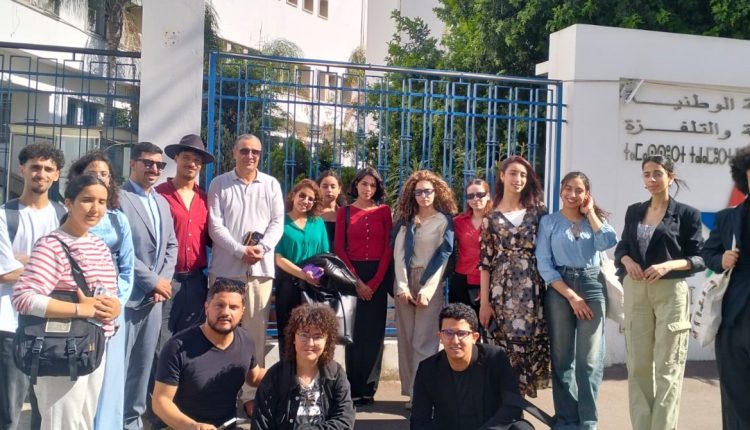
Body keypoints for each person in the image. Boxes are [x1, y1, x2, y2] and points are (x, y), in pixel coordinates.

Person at [12, 174, 120, 430]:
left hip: (94, 345)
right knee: (61, 424)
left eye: (102, 202)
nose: (95, 208)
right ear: (68, 203)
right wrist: (80, 309)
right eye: (87, 200)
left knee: (83, 422)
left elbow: (108, 294)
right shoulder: (51, 246)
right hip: (61, 348)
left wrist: (115, 308)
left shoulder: (100, 246)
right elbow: (23, 298)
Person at [614, 154, 704, 430]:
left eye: (657, 173)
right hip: (637, 291)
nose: (651, 179)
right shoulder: (634, 211)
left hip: (670, 293)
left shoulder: (687, 214)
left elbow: (700, 258)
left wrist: (668, 265)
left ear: (670, 177)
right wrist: (627, 261)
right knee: (638, 367)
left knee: (668, 368)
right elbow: (622, 247)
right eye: (646, 174)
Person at [207, 134, 284, 412]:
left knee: (255, 335)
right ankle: (219, 391)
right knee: (221, 329)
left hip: (260, 271)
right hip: (227, 270)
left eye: (255, 151)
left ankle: (251, 394)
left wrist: (261, 248)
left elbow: (278, 222)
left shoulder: (271, 184)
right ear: (234, 153)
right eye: (244, 151)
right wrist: (240, 250)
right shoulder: (219, 183)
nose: (250, 156)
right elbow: (215, 225)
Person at [535, 172, 617, 430]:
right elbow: (544, 264)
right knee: (562, 359)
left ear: (586, 194)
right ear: (560, 190)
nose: (572, 194)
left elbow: (608, 242)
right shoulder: (549, 222)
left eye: (579, 190)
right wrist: (571, 296)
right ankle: (567, 420)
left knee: (589, 361)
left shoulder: (595, 220)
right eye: (568, 188)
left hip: (592, 286)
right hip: (560, 289)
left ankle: (588, 421)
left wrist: (590, 213)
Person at [67, 151, 135, 430]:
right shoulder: (67, 217)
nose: (100, 178)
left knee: (110, 377)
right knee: (78, 380)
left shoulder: (119, 219)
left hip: (112, 309)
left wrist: (117, 303)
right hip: (78, 305)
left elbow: (128, 268)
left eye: (105, 174)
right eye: (93, 173)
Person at [0, 142, 65, 430]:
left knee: (47, 414)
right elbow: (4, 273)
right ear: (22, 169)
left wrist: (23, 260)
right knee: (9, 414)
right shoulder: (4, 215)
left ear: (57, 175)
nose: (41, 173)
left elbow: (70, 269)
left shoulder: (63, 215)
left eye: (48, 168)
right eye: (35, 167)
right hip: (11, 325)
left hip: (52, 326)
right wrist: (48, 262)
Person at [478, 155, 551, 398]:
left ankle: (517, 405)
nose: (518, 179)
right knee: (503, 344)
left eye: (523, 175)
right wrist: (485, 303)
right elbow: (485, 262)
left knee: (527, 344)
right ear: (502, 176)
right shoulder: (490, 216)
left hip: (532, 290)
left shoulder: (538, 211)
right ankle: (506, 404)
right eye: (513, 173)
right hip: (501, 290)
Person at [152, 278, 265, 429]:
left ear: (242, 311)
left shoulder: (246, 340)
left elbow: (254, 377)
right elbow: (160, 401)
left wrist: (293, 369)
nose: (225, 312)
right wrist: (193, 426)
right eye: (219, 305)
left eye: (233, 307)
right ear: (206, 307)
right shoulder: (177, 347)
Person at [119, 142, 178, 430]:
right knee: (120, 366)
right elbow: (119, 249)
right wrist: (153, 281)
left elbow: (171, 245)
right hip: (127, 298)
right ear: (132, 163)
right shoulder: (118, 198)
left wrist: (162, 281)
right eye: (148, 163)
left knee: (142, 368)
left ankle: (132, 421)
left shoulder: (162, 202)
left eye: (159, 165)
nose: (154, 169)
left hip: (154, 300)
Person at [392, 170, 456, 408]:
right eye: (419, 192)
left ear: (436, 192)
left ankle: (422, 393)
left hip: (430, 280)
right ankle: (411, 390)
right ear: (413, 194)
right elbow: (398, 255)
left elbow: (443, 257)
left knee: (425, 340)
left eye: (428, 191)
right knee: (406, 339)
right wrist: (402, 286)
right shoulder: (406, 219)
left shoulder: (443, 221)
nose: (424, 196)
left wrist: (428, 290)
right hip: (405, 280)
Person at [411, 303, 530, 430]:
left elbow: (512, 406)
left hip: (490, 427)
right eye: (448, 333)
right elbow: (419, 420)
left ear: (474, 337)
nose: (455, 340)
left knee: (522, 428)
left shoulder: (495, 358)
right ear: (440, 336)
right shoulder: (428, 369)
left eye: (461, 333)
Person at [332, 166, 393, 407]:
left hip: (378, 274)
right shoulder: (344, 212)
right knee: (354, 333)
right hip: (352, 276)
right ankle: (354, 387)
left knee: (374, 334)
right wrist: (357, 282)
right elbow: (339, 248)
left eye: (373, 185)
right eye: (364, 183)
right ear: (356, 184)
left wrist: (375, 283)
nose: (368, 189)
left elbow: (388, 248)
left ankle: (369, 388)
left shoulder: (384, 211)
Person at [702, 146, 750, 430]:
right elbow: (708, 253)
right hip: (733, 317)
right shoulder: (727, 218)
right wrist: (721, 259)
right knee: (734, 394)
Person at [252, 304, 355, 430]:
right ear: (293, 338)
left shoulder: (336, 374)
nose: (310, 343)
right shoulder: (275, 376)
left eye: (318, 336)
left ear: (327, 341)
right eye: (304, 335)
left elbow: (344, 420)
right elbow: (261, 423)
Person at [156, 134, 214, 338]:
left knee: (191, 338)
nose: (191, 163)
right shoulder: (159, 195)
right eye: (187, 157)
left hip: (196, 280)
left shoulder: (205, 199)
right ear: (176, 158)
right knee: (162, 339)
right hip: (167, 278)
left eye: (197, 160)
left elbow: (211, 238)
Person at [274, 179, 329, 353]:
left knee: (314, 332)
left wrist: (317, 274)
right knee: (288, 333)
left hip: (314, 286)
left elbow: (325, 254)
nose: (306, 201)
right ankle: (287, 369)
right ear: (293, 195)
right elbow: (278, 257)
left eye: (311, 199)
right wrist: (302, 274)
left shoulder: (318, 222)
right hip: (288, 285)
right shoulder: (280, 221)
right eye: (302, 196)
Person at [450, 179, 492, 316]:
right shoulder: (458, 222)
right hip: (462, 281)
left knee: (487, 326)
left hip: (490, 280)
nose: (475, 199)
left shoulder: (497, 221)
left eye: (480, 194)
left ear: (488, 196)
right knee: (461, 324)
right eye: (471, 196)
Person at [316, 170, 346, 246]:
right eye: (325, 187)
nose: (329, 190)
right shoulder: (311, 213)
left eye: (333, 187)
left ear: (339, 189)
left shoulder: (346, 214)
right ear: (318, 188)